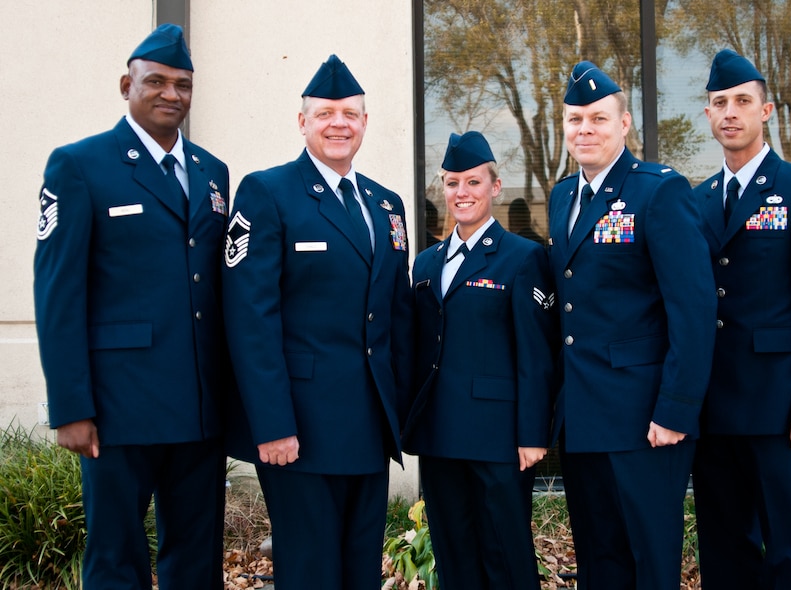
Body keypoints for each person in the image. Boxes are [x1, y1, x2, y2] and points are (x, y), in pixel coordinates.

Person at [33, 24, 230, 589]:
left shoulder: (213, 173)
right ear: (127, 84)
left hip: (198, 405)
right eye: (158, 82)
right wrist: (70, 405)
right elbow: (58, 292)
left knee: (196, 558)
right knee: (115, 556)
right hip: (119, 408)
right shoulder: (79, 166)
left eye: (184, 85)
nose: (172, 94)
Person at [221, 54, 412, 589]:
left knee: (359, 572)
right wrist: (273, 422)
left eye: (350, 114)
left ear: (365, 124)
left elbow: (396, 316)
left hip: (370, 426)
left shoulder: (386, 204)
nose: (338, 124)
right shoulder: (269, 193)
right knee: (310, 572)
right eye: (325, 113)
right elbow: (250, 316)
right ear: (301, 121)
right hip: (300, 428)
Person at [546, 61, 716, 589]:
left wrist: (676, 410)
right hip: (584, 415)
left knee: (649, 560)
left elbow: (693, 308)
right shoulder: (561, 197)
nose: (585, 130)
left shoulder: (657, 191)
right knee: (600, 558)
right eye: (575, 120)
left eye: (598, 118)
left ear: (624, 125)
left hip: (644, 419)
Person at [691, 49, 791, 590]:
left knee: (787, 548)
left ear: (768, 111)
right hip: (713, 410)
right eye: (719, 103)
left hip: (781, 411)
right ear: (708, 116)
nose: (730, 112)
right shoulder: (697, 200)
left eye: (741, 101)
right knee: (722, 546)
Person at [402, 131, 558, 589]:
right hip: (440, 434)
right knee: (455, 554)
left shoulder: (523, 257)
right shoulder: (427, 263)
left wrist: (533, 434)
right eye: (452, 184)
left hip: (498, 437)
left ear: (495, 186)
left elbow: (537, 357)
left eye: (473, 182)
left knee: (504, 554)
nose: (461, 193)